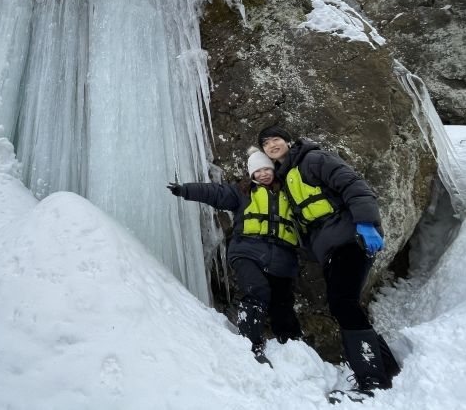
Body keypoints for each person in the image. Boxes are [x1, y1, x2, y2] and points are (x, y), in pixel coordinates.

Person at [257, 125, 400, 400]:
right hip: (331, 248)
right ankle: (386, 368)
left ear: (288, 140)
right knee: (344, 304)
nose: (272, 144)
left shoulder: (313, 160)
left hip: (350, 237)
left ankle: (372, 379)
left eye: (275, 138)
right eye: (265, 143)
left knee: (342, 303)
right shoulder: (286, 178)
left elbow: (352, 183)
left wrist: (366, 223)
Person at [167, 147, 302, 365]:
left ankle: (293, 347)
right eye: (258, 171)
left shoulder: (288, 192)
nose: (263, 174)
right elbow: (215, 193)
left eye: (267, 169)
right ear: (252, 175)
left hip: (282, 257)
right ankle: (251, 345)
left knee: (283, 302)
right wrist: (185, 190)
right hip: (248, 251)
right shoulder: (242, 192)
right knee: (255, 290)